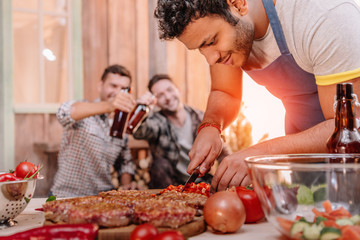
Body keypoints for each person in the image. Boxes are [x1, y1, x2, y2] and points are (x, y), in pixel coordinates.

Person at [154, 0, 360, 191]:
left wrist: (260, 154)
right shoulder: (231, 35)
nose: (210, 58)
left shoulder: (322, 17)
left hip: (351, 156)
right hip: (303, 153)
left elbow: (346, 127)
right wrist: (211, 125)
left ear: (238, 4)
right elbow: (224, 91)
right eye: (200, 48)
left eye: (211, 41)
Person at [51, 64, 137, 197]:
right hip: (68, 195)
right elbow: (63, 113)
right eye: (113, 86)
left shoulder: (122, 125)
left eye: (124, 89)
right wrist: (109, 106)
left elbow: (125, 163)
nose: (118, 93)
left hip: (103, 197)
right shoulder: (84, 111)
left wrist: (127, 184)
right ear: (100, 86)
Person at [132, 74, 231, 188]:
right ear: (156, 102)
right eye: (160, 95)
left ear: (178, 90)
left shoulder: (201, 118)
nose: (168, 97)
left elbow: (222, 150)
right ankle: (165, 204)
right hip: (169, 184)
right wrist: (140, 110)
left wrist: (229, 174)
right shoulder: (156, 122)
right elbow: (138, 132)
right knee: (159, 165)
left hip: (201, 181)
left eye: (169, 90)